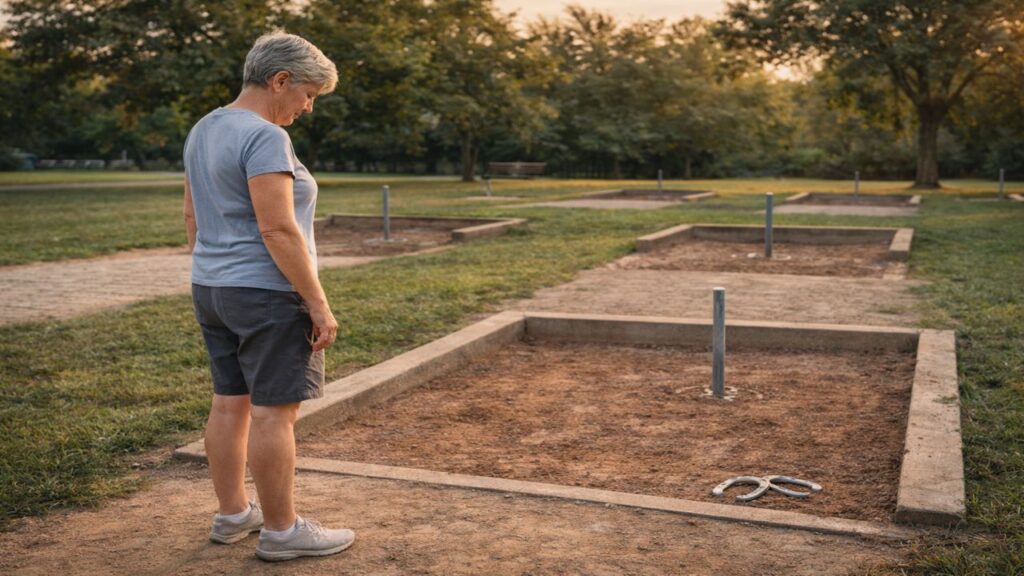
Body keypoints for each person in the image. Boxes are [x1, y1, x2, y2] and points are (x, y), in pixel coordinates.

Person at [182, 32, 353, 562]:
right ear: (280, 80)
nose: (306, 106)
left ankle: (233, 515)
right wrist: (318, 303)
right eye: (307, 94)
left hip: (213, 287)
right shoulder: (264, 136)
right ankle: (282, 531)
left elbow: (191, 216)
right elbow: (278, 228)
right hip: (266, 293)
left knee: (229, 403)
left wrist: (214, 268)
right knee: (275, 413)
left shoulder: (204, 128)